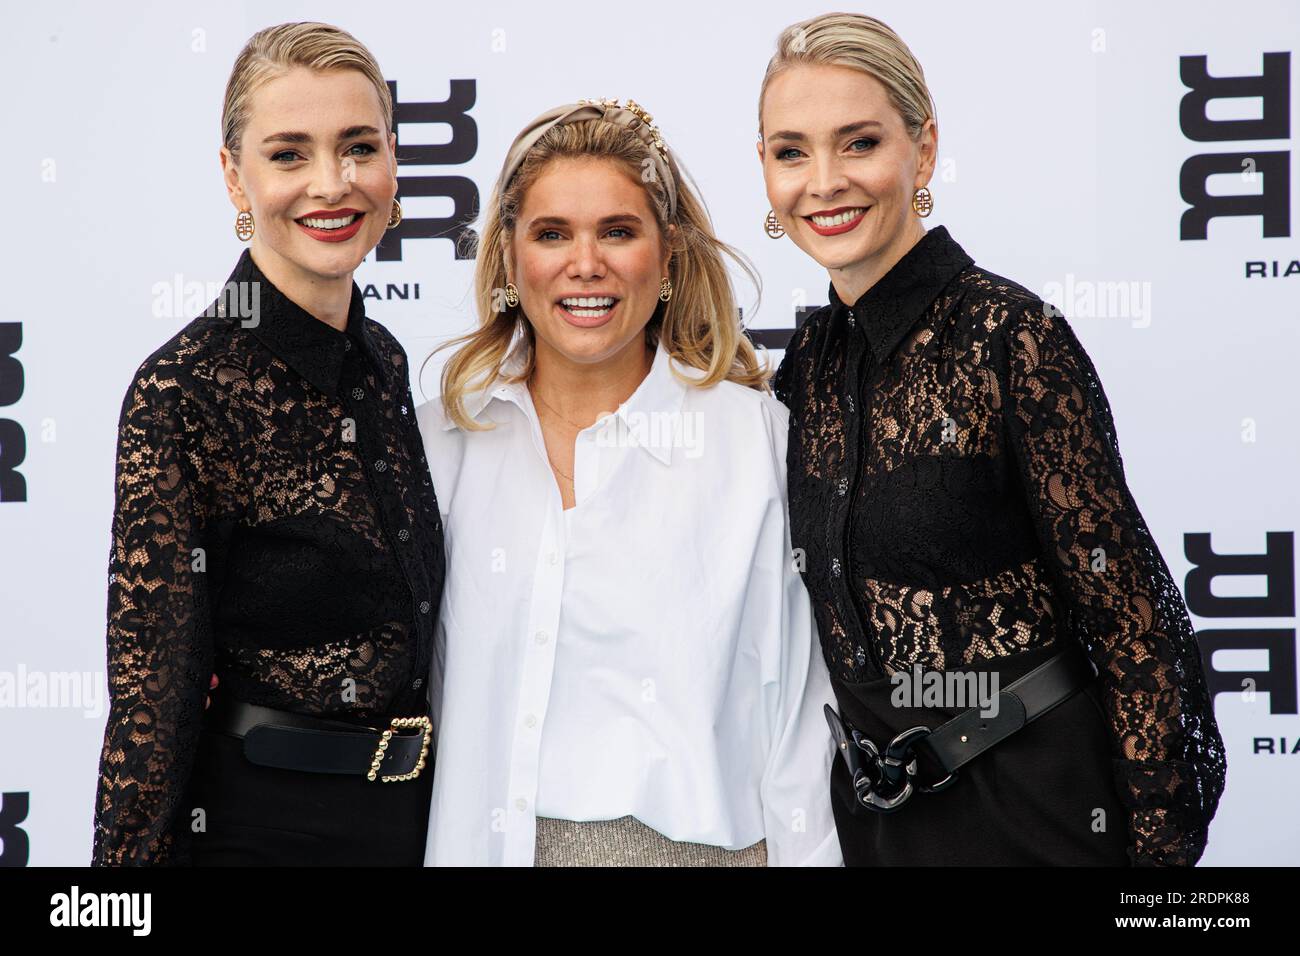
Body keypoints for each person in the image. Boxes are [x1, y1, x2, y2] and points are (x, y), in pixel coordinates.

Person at [758, 13, 1226, 866]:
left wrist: (1157, 868)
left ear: (923, 150)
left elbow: (1130, 617)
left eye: (857, 142)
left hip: (1034, 809)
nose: (822, 181)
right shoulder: (807, 365)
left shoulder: (1011, 338)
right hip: (871, 825)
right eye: (791, 152)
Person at [416, 98, 841, 866]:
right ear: (511, 258)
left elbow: (802, 726)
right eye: (552, 234)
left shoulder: (756, 443)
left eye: (618, 231)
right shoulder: (440, 441)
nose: (586, 264)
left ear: (669, 253)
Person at [91, 21, 443, 865]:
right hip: (259, 832)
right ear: (233, 176)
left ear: (394, 160)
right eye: (289, 154)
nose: (333, 182)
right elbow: (155, 702)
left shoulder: (386, 360)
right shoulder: (184, 390)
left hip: (417, 828)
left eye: (359, 146)